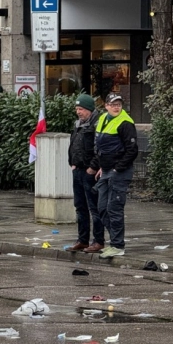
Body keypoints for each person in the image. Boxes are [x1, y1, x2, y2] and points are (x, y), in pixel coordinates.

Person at [90, 93, 138, 258]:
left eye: (119, 104)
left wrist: (117, 168)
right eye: (113, 104)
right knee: (102, 208)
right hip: (106, 170)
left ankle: (118, 245)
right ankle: (115, 240)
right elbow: (100, 146)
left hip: (119, 172)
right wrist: (101, 166)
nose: (117, 107)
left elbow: (132, 150)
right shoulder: (103, 119)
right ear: (106, 106)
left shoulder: (126, 123)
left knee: (114, 208)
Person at [67, 94, 104, 252]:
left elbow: (100, 148)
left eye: (81, 109)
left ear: (89, 109)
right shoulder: (79, 124)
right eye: (76, 109)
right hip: (78, 170)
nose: (78, 112)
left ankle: (98, 241)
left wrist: (93, 167)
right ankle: (82, 240)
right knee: (80, 206)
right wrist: (72, 163)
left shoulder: (97, 124)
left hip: (90, 172)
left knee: (94, 207)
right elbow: (74, 144)